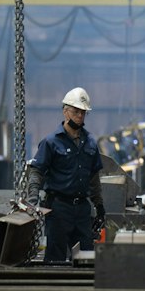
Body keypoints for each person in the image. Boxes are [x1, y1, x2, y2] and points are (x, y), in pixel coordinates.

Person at [26, 87, 105, 262]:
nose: (80, 116)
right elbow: (37, 173)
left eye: (83, 113)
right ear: (65, 112)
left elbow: (94, 179)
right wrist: (32, 204)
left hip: (83, 210)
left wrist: (99, 207)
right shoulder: (50, 142)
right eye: (76, 112)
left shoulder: (91, 143)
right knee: (55, 258)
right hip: (59, 209)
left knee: (86, 260)